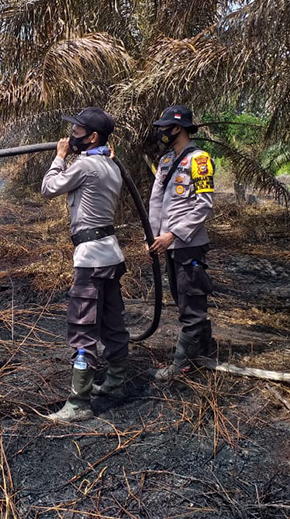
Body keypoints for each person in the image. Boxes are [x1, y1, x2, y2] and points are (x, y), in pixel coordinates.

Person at [41, 107, 129, 422]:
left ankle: (79, 403)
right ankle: (116, 382)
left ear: (92, 137)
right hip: (110, 255)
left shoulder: (88, 165)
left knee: (83, 328)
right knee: (112, 323)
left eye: (77, 131)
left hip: (90, 260)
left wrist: (59, 156)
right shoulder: (110, 165)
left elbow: (48, 188)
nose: (71, 136)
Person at [146, 105, 216, 380]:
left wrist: (173, 234)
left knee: (191, 301)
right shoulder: (165, 162)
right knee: (183, 298)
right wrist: (151, 237)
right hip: (167, 244)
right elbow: (156, 203)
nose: (161, 132)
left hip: (187, 244)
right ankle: (205, 351)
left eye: (165, 127)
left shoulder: (199, 161)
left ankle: (182, 364)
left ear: (177, 128)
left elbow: (204, 205)